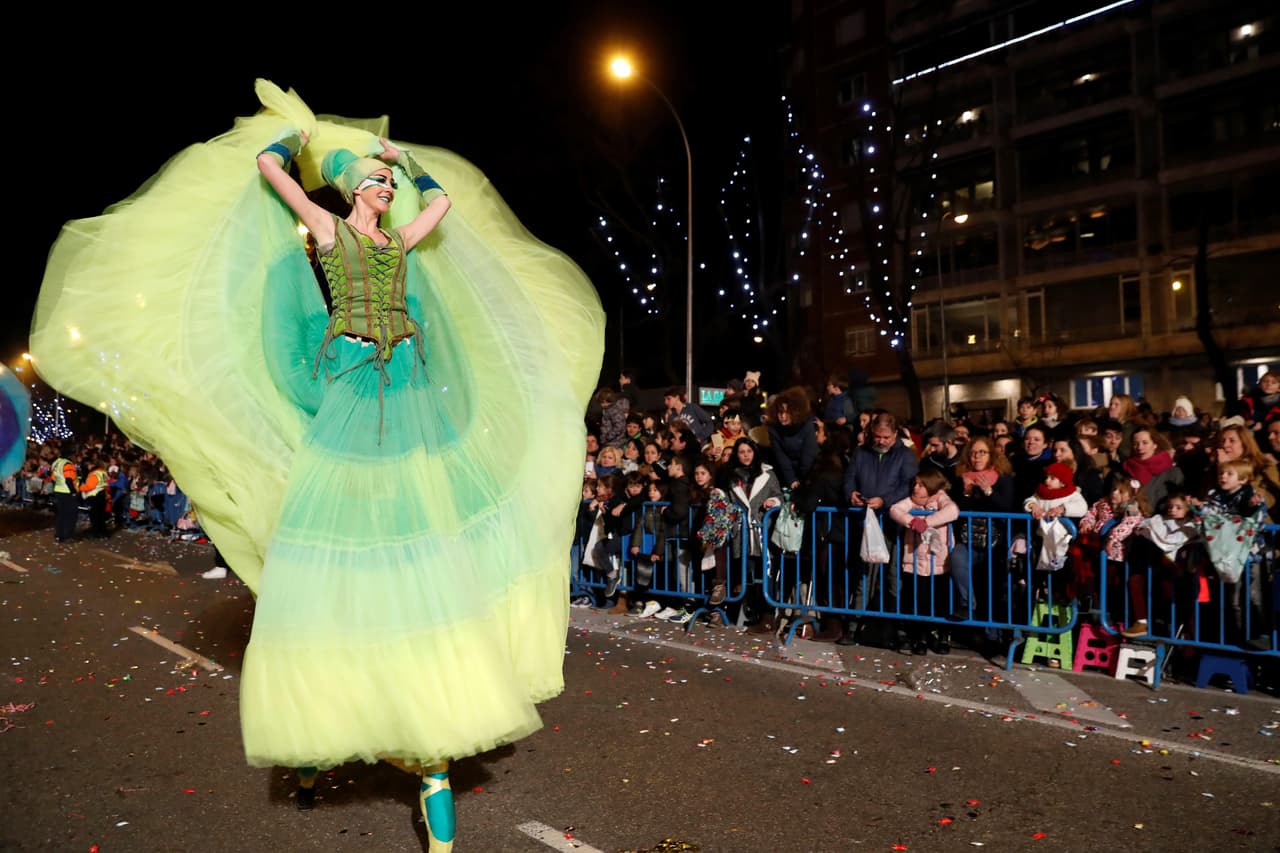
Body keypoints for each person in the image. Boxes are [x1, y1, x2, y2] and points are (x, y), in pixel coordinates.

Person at [32, 81, 604, 851]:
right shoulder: (331, 232)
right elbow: (272, 174)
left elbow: (440, 208)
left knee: (417, 535)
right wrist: (287, 147)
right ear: (352, 192)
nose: (382, 190)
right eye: (373, 182)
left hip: (405, 391)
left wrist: (410, 165)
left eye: (384, 184)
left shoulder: (400, 241)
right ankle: (319, 737)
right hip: (350, 390)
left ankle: (425, 734)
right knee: (336, 540)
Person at [889, 469, 958, 655]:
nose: (916, 488)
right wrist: (912, 521)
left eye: (921, 485)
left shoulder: (940, 498)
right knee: (919, 600)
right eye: (915, 484)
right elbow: (895, 509)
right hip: (915, 560)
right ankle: (920, 636)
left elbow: (952, 511)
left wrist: (927, 521)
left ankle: (942, 635)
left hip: (938, 561)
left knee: (941, 600)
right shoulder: (912, 501)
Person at [765, 386, 819, 491]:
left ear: (796, 412)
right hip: (786, 472)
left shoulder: (807, 425)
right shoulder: (774, 429)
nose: (783, 416)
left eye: (787, 412)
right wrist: (792, 480)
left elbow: (808, 456)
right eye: (780, 412)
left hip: (809, 471)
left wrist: (802, 482)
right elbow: (781, 456)